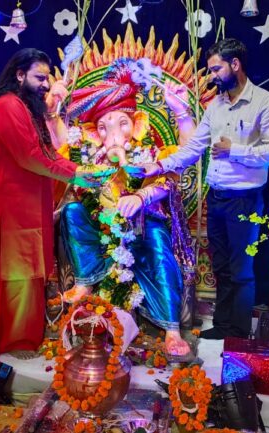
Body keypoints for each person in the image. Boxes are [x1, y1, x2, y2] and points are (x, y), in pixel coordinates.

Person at [140, 38, 269, 339]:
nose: (212, 76)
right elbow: (194, 147)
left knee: (242, 270)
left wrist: (236, 151)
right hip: (216, 197)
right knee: (221, 266)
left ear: (235, 64)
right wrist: (160, 165)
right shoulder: (216, 105)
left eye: (217, 69)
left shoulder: (265, 102)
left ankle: (238, 333)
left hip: (245, 200)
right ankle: (222, 325)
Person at [57, 65, 197, 357]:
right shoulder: (89, 157)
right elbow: (57, 157)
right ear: (95, 133)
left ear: (137, 125)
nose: (113, 134)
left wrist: (143, 196)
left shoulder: (149, 153)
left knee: (158, 243)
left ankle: (171, 329)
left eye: (122, 123)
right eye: (104, 127)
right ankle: (85, 281)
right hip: (102, 231)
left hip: (143, 228)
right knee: (72, 211)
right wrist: (53, 113)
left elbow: (180, 165)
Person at [0, 48, 107, 359]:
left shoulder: (27, 107)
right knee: (17, 277)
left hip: (30, 205)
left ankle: (28, 335)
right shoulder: (7, 106)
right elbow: (30, 157)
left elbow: (48, 152)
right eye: (39, 77)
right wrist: (76, 174)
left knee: (32, 274)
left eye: (47, 78)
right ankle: (14, 341)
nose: (46, 84)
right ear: (19, 75)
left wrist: (80, 171)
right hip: (11, 209)